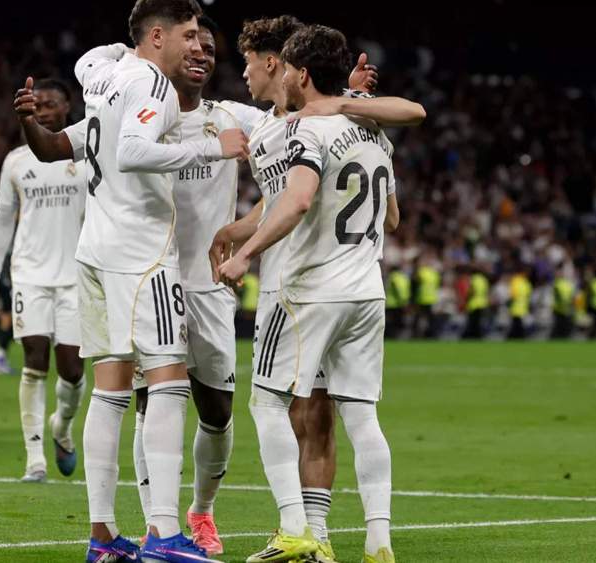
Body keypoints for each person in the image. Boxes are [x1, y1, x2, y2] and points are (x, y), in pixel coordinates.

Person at [19, 1, 247, 560]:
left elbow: (54, 146)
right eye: (189, 35)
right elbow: (136, 151)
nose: (197, 45)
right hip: (141, 254)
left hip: (95, 250)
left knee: (112, 391)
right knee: (168, 384)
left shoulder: (109, 79)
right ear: (158, 35)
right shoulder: (151, 83)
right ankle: (166, 534)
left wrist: (29, 120)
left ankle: (100, 537)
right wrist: (210, 146)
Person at [208, 16, 419, 562]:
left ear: (289, 68)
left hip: (302, 288)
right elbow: (389, 216)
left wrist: (247, 256)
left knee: (271, 403)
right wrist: (237, 231)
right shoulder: (362, 131)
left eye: (250, 63)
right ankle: (376, 542)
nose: (245, 74)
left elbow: (298, 199)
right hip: (365, 290)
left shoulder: (308, 126)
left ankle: (299, 528)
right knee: (358, 414)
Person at [0, 77, 88, 481]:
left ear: (67, 107)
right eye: (37, 104)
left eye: (51, 104)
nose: (43, 110)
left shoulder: (84, 156)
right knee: (33, 359)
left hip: (76, 275)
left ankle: (61, 426)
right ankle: (34, 459)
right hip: (29, 274)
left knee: (73, 371)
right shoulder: (15, 161)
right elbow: (2, 220)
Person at [462, 265, 489, 339]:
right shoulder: (484, 279)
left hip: (474, 303)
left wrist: (467, 298)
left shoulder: (473, 279)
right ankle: (478, 336)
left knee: (472, 321)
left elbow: (472, 290)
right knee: (478, 321)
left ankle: (469, 335)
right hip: (482, 302)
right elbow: (486, 291)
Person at [551, 266, 576, 339]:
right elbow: (572, 297)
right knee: (562, 326)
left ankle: (559, 337)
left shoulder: (557, 284)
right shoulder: (568, 284)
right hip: (564, 308)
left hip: (560, 308)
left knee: (560, 326)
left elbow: (556, 295)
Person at [508, 265, 532, 340]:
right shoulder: (516, 281)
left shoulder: (525, 282)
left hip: (522, 307)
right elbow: (513, 294)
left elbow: (528, 294)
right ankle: (517, 338)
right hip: (517, 307)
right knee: (517, 325)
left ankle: (515, 338)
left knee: (518, 325)